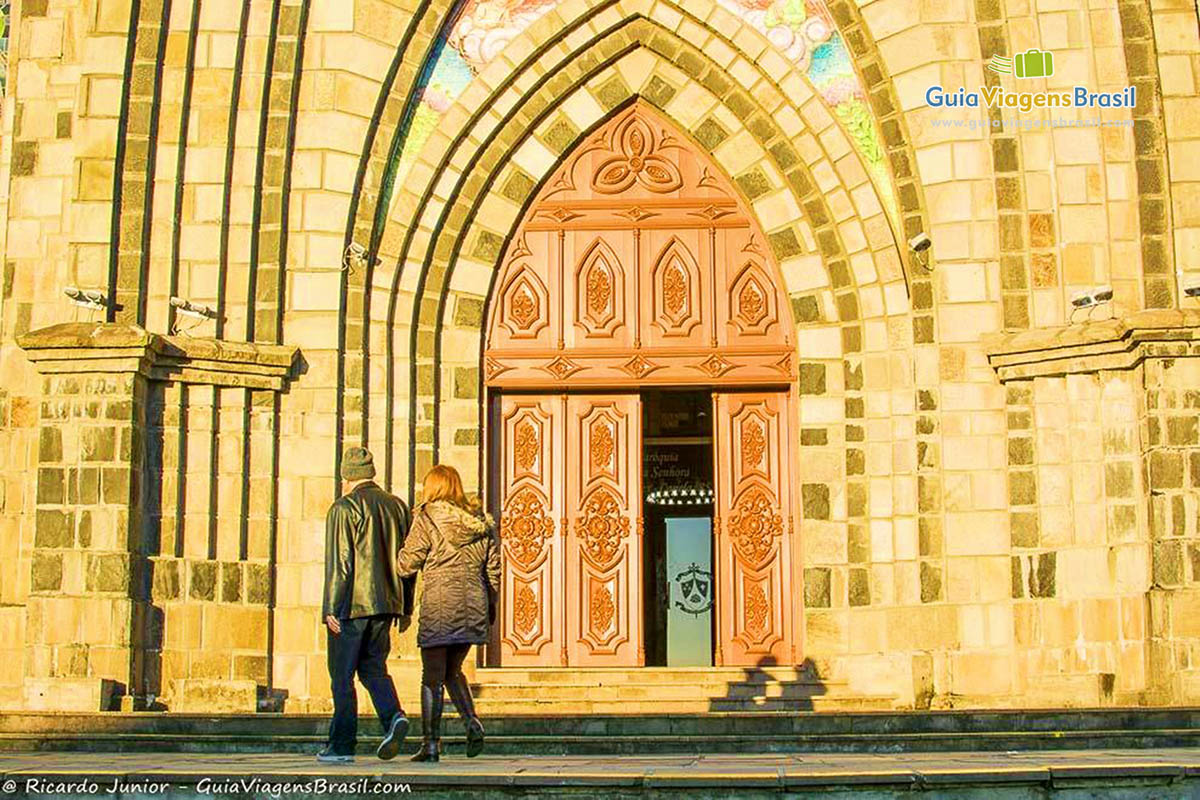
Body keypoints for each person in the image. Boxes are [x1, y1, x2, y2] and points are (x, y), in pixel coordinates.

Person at [397, 464, 500, 762]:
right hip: (473, 605)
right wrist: (490, 605)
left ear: (433, 487)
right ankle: (471, 722)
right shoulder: (480, 523)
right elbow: (493, 569)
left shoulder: (427, 517)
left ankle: (430, 744)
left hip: (440, 606)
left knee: (432, 677)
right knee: (453, 671)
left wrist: (395, 558)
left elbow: (408, 562)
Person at [318, 447, 415, 764]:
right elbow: (407, 562)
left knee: (342, 675)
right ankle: (393, 716)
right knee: (374, 668)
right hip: (387, 603)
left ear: (347, 476)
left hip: (352, 606)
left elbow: (341, 561)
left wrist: (331, 607)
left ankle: (342, 745)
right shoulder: (397, 507)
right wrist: (406, 606)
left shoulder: (344, 508)